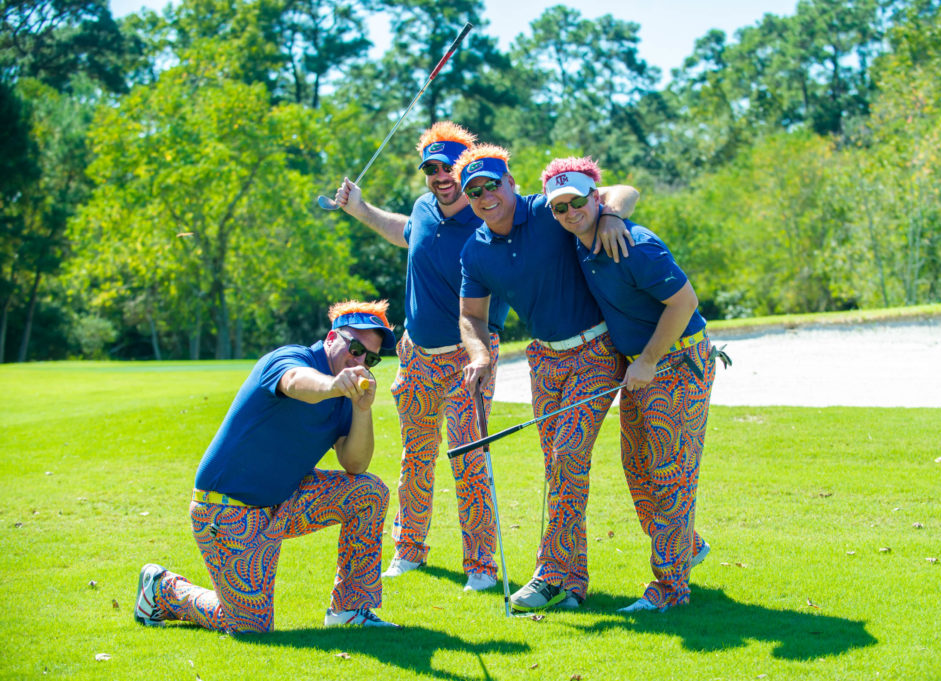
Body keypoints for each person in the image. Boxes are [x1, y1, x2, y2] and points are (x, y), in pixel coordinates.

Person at [133, 301, 400, 632]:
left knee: (368, 491)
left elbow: (355, 463)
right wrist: (333, 386)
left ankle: (350, 610)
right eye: (356, 348)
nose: (360, 361)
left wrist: (361, 409)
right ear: (332, 338)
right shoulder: (291, 360)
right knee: (250, 625)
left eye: (370, 358)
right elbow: (294, 382)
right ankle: (163, 589)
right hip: (228, 509)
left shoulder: (348, 393)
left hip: (283, 500)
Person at [455, 144, 638, 612]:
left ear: (510, 183)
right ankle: (573, 583)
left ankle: (550, 576)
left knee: (567, 456)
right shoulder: (475, 251)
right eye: (473, 190)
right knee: (560, 467)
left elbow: (622, 190)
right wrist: (478, 353)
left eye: (491, 184)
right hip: (543, 360)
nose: (483, 195)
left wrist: (611, 216)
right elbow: (472, 316)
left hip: (596, 348)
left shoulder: (546, 209)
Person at [331, 122, 509, 591]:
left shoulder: (488, 213)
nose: (441, 176)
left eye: (449, 166)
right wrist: (359, 208)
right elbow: (406, 231)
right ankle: (409, 550)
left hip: (467, 357)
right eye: (432, 169)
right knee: (416, 456)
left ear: (465, 169)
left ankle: (482, 566)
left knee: (469, 461)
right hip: (416, 356)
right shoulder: (423, 207)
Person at [541, 156, 717, 613]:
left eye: (578, 202)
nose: (570, 213)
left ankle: (670, 591)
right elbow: (621, 193)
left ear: (594, 199)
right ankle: (684, 547)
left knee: (669, 476)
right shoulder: (580, 241)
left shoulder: (635, 246)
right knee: (638, 469)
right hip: (642, 366)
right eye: (559, 208)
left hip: (679, 362)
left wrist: (649, 359)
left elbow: (684, 303)